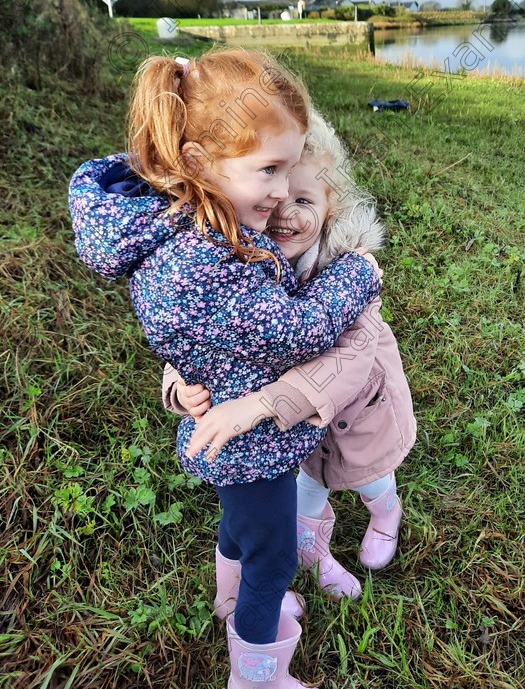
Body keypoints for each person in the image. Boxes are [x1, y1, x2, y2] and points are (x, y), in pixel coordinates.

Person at [68, 48, 382, 688]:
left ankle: (227, 601)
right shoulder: (212, 259)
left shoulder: (182, 227)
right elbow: (298, 330)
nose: (278, 191)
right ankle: (257, 674)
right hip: (251, 443)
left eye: (291, 171)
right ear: (197, 163)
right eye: (268, 170)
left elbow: (192, 336)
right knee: (271, 558)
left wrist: (179, 380)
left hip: (218, 432)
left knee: (239, 529)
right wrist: (356, 272)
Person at [163, 111, 417, 603]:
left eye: (303, 199)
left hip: (356, 416)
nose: (284, 210)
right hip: (294, 434)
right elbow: (198, 334)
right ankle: (317, 554)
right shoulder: (235, 265)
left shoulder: (348, 271)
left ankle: (386, 512)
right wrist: (181, 386)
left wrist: (259, 404)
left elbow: (348, 362)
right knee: (308, 491)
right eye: (274, 193)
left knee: (371, 477)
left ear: (331, 206)